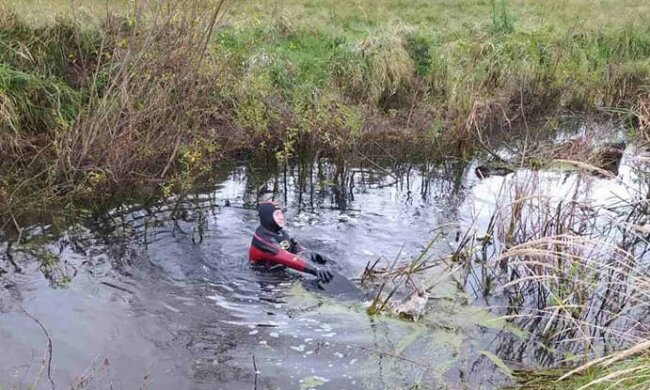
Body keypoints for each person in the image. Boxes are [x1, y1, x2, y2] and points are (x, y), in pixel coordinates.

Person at [249, 201, 333, 283]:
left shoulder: (278, 231)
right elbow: (286, 257)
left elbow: (296, 248)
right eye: (277, 214)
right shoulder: (262, 240)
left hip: (282, 270)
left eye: (281, 213)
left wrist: (314, 256)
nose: (281, 217)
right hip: (265, 277)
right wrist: (315, 270)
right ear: (268, 217)